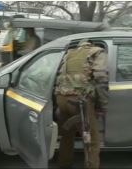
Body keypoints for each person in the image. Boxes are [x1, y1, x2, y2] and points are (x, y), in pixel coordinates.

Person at [54, 40, 109, 169]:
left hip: (61, 99)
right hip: (80, 102)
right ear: (91, 45)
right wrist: (103, 105)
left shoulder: (69, 54)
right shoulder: (97, 52)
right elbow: (101, 79)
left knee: (67, 135)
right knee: (92, 140)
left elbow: (59, 76)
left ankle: (64, 164)